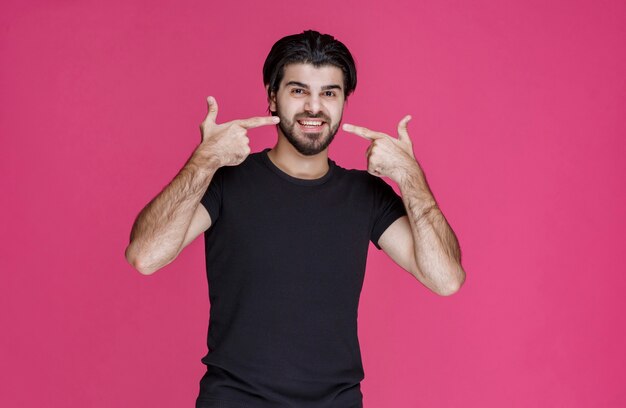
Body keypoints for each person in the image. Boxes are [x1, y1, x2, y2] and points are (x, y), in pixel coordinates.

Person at [125, 30, 465, 408]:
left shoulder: (366, 195)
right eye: (299, 91)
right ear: (273, 96)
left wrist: (410, 176)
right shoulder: (225, 182)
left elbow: (446, 279)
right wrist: (204, 161)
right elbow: (146, 255)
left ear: (344, 102)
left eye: (329, 93)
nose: (314, 108)